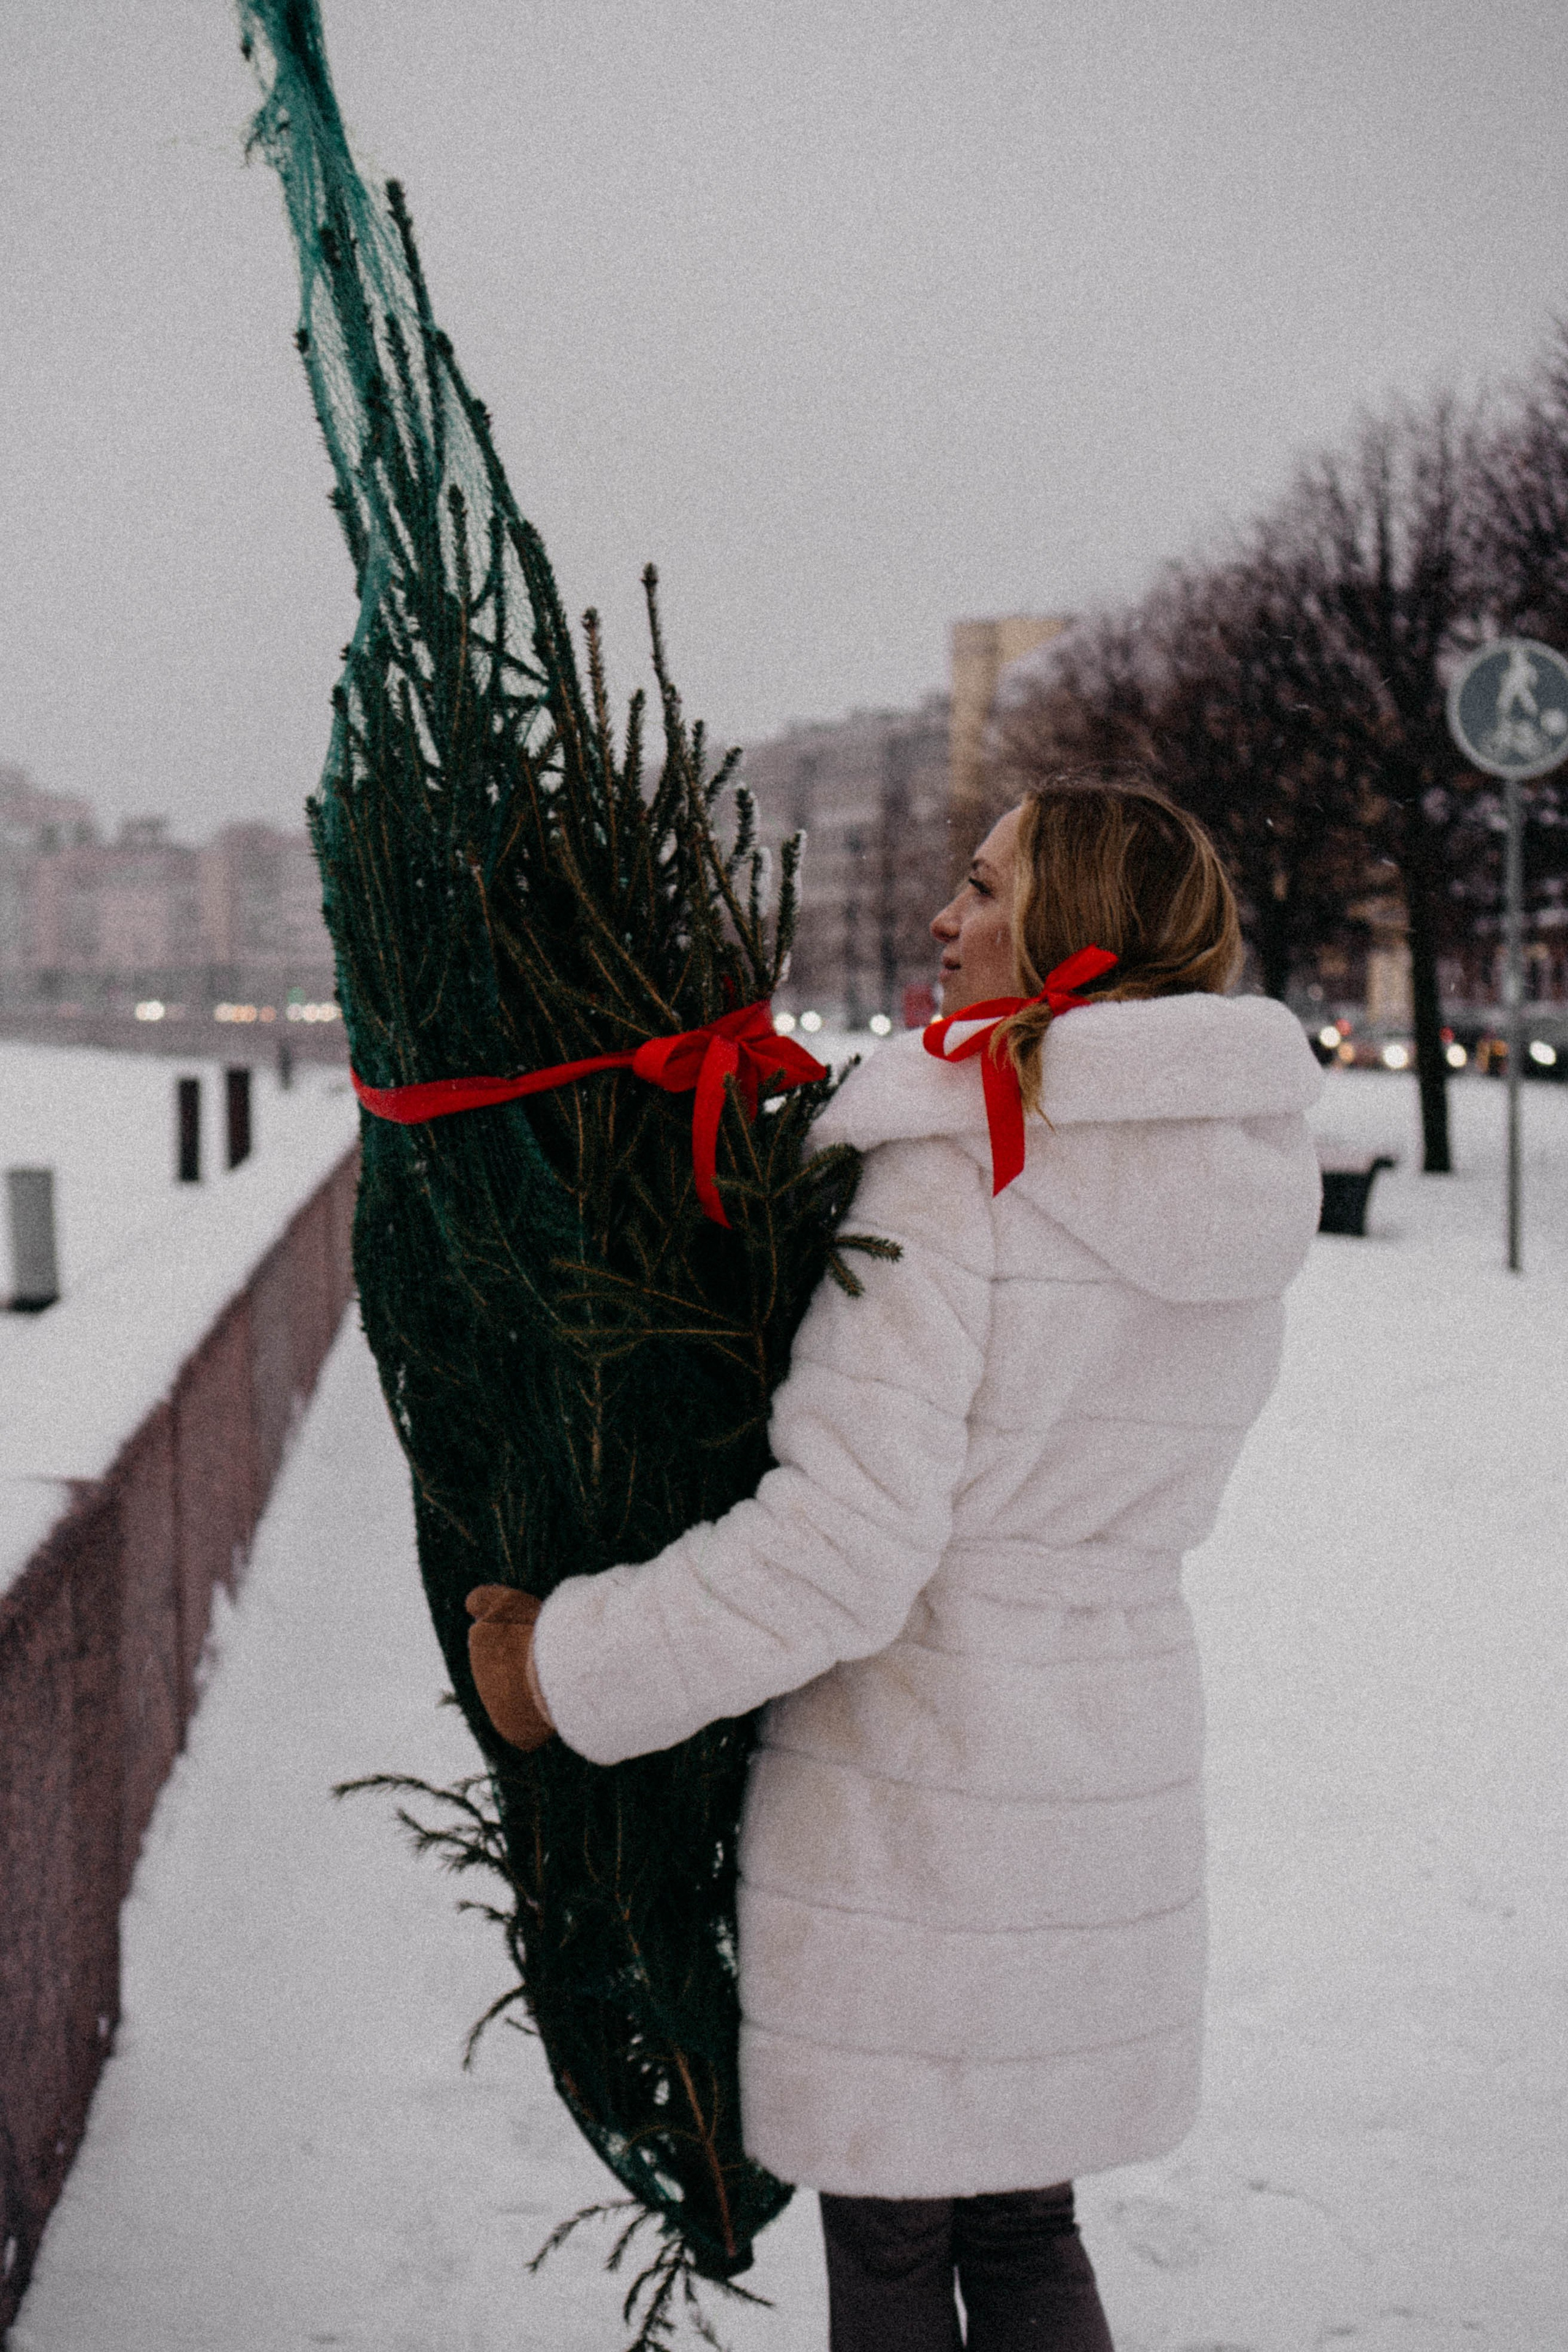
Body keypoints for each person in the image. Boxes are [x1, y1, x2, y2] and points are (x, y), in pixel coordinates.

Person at [466, 772, 1324, 2350]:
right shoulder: (1229, 1186)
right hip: (1102, 1774)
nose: (947, 914)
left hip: (915, 1800)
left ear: (1077, 927)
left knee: (890, 2247)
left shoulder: (959, 1164)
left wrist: (565, 1667)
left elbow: (845, 1549)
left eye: (991, 888)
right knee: (1025, 2229)